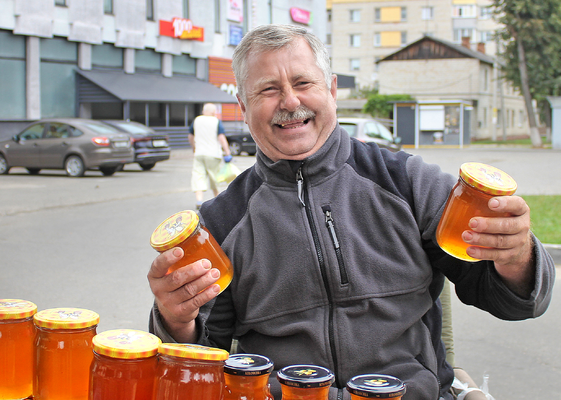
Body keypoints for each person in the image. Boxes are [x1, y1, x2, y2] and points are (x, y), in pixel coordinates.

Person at [148, 24, 555, 400]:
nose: (290, 101)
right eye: (268, 89)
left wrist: (516, 254)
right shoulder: (219, 222)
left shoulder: (407, 182)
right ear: (242, 104)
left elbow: (515, 302)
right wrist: (173, 319)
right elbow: (195, 361)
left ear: (332, 89)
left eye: (303, 82)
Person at [188, 103, 232, 209]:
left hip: (199, 154)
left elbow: (190, 136)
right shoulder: (216, 121)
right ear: (213, 112)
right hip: (213, 154)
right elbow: (221, 137)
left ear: (203, 111)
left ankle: (199, 200)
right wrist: (227, 152)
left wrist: (194, 148)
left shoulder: (197, 120)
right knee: (214, 177)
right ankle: (217, 200)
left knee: (198, 176)